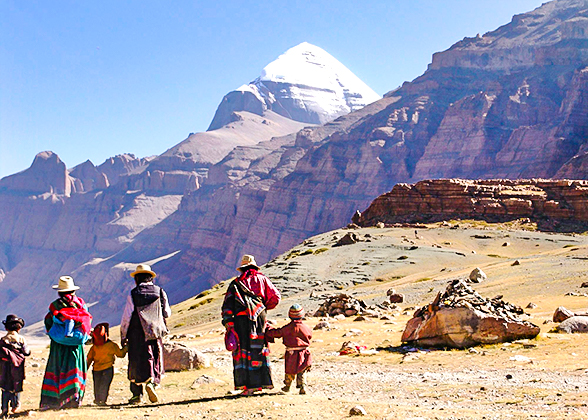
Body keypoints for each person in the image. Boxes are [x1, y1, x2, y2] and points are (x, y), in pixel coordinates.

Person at [221, 254, 281, 395]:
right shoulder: (263, 280)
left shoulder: (235, 283)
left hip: (241, 321)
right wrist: (263, 306)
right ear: (254, 266)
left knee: (244, 350)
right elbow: (276, 297)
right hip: (260, 318)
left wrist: (229, 323)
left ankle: (248, 387)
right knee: (258, 347)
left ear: (242, 268)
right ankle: (262, 383)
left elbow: (227, 306)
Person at [120, 264, 171, 404]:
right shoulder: (160, 291)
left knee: (136, 361)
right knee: (154, 357)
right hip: (154, 332)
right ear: (150, 277)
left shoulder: (133, 293)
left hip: (136, 334)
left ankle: (136, 395)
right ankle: (152, 383)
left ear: (136, 278)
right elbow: (167, 312)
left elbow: (127, 316)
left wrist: (123, 335)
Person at [40, 276, 92, 410]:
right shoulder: (81, 304)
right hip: (75, 346)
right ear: (73, 291)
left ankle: (52, 401)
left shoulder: (55, 306)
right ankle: (73, 399)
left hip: (59, 346)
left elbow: (48, 322)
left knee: (57, 369)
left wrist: (57, 333)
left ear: (59, 292)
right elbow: (86, 322)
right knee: (74, 369)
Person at [266, 304, 312, 395]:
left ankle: (287, 386)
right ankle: (303, 386)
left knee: (289, 370)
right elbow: (310, 336)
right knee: (302, 369)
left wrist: (268, 328)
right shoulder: (306, 327)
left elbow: (276, 333)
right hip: (303, 352)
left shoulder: (287, 328)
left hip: (291, 353)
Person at [87, 323, 127, 405]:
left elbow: (89, 359)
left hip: (96, 370)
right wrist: (126, 348)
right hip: (108, 369)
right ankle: (102, 400)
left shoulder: (94, 347)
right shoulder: (111, 345)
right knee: (105, 385)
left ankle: (97, 399)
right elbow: (121, 354)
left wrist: (85, 369)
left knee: (97, 385)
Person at [0, 315, 30, 416]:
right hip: (17, 367)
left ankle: (4, 408)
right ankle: (15, 406)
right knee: (16, 385)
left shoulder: (3, 339)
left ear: (6, 328)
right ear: (19, 328)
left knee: (5, 387)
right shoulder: (21, 339)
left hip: (4, 368)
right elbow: (27, 352)